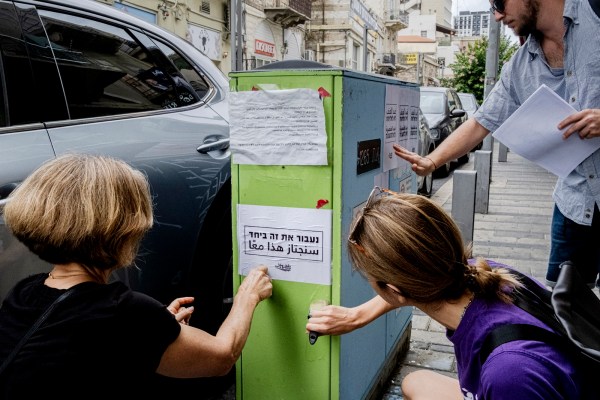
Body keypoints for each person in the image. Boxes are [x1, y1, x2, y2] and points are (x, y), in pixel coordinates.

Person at [0, 154, 272, 398]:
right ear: (122, 229)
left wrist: (155, 331)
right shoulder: (125, 313)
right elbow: (222, 358)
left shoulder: (25, 292)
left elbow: (80, 346)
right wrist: (247, 297)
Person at [307, 187, 591, 399]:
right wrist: (358, 315)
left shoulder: (509, 373)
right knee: (415, 384)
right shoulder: (481, 271)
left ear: (394, 290)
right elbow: (410, 283)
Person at [393, 0, 600, 289]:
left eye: (499, 2)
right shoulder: (519, 67)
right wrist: (432, 161)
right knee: (567, 310)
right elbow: (480, 122)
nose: (497, 15)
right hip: (575, 204)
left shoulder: (595, 13)